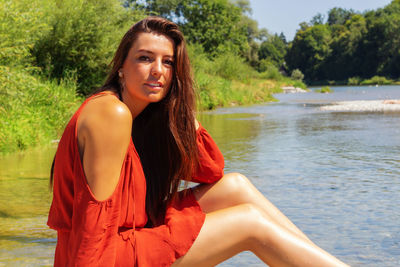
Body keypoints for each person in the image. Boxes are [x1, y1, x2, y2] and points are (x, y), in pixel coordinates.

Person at [48, 16, 349, 266]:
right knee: (250, 224)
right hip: (106, 257)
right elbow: (92, 230)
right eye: (144, 58)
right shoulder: (111, 113)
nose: (158, 71)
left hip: (131, 236)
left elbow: (210, 170)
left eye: (168, 63)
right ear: (120, 68)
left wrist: (179, 110)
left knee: (236, 186)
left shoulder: (143, 116)